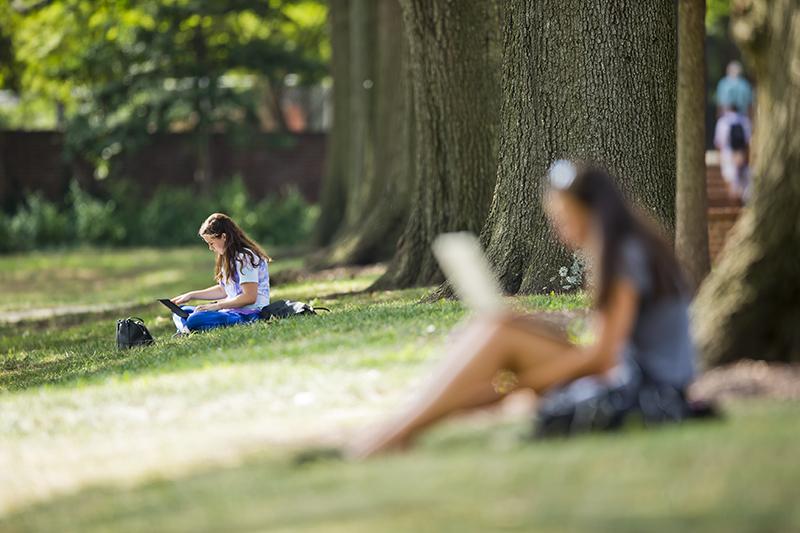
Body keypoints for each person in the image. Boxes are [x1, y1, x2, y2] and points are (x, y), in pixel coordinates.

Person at [352, 161, 696, 458]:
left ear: (591, 211)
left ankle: (396, 433)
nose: (558, 231)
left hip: (648, 393)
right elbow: (608, 338)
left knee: (498, 333)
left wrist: (521, 386)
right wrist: (532, 327)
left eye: (563, 219)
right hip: (631, 378)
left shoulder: (624, 254)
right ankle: (400, 429)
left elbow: (602, 357)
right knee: (496, 327)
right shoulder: (623, 248)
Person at [170, 213, 271, 333]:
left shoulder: (244, 257)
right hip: (230, 311)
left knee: (195, 319)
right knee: (182, 310)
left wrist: (217, 306)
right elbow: (224, 290)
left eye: (211, 243)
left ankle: (187, 327)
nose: (210, 248)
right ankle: (188, 328)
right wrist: (191, 295)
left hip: (248, 314)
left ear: (224, 236)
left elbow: (249, 297)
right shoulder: (228, 257)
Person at [714, 105, 752, 202]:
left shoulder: (722, 121)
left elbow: (719, 142)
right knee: (743, 182)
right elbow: (748, 141)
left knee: (731, 182)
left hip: (727, 154)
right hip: (741, 154)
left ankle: (733, 203)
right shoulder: (745, 120)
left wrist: (719, 157)